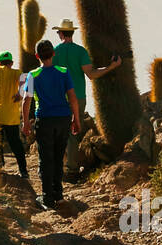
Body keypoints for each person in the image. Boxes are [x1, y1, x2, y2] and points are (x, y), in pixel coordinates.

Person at [52, 19, 121, 180]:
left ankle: (61, 167)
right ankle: (71, 170)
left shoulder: (55, 52)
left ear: (61, 33)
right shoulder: (81, 52)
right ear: (72, 33)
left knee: (58, 131)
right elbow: (91, 74)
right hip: (78, 97)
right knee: (73, 132)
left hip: (59, 97)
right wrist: (111, 67)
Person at [22, 39, 80, 209]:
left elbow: (27, 100)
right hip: (63, 118)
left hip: (45, 120)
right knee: (58, 157)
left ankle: (47, 198)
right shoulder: (64, 72)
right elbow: (73, 97)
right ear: (54, 53)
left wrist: (25, 122)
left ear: (37, 56)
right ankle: (59, 195)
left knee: (45, 159)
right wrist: (76, 119)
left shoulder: (33, 75)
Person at [0, 52, 27, 177]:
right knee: (16, 143)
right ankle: (23, 170)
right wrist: (20, 93)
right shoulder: (16, 73)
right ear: (11, 63)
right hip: (11, 117)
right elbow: (27, 79)